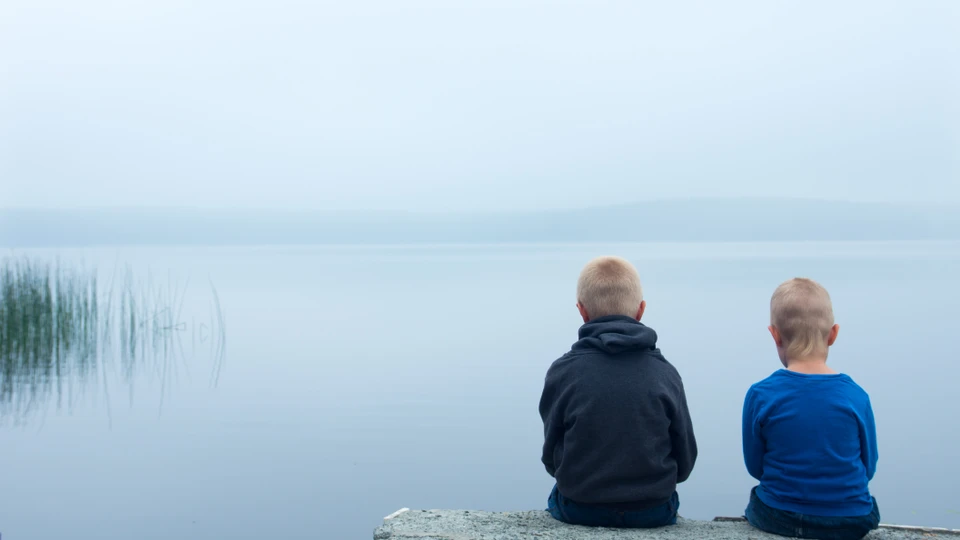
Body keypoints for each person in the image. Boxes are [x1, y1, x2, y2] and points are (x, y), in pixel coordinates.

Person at [539, 255, 697, 528]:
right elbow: (685, 458)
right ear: (641, 310)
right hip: (653, 510)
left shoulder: (562, 372)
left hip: (581, 507)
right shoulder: (666, 374)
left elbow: (551, 454)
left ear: (582, 311)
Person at [742, 278, 880, 540]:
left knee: (757, 499)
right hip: (851, 519)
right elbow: (868, 467)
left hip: (779, 516)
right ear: (833, 334)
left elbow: (755, 467)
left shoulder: (761, 394)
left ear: (775, 335)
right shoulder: (856, 396)